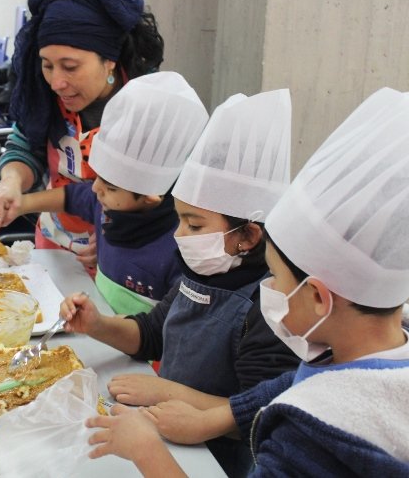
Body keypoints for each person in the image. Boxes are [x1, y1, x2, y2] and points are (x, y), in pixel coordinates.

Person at [86, 87, 409, 477]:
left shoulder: (310, 436)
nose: (269, 288)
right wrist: (213, 418)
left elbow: (290, 395)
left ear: (319, 298)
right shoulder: (361, 357)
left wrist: (145, 450)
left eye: (277, 278)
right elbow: (284, 386)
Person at [60, 89, 300, 477]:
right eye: (180, 220)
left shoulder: (266, 307)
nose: (179, 235)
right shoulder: (205, 270)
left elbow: (262, 413)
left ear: (248, 236)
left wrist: (169, 392)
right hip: (166, 439)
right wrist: (97, 325)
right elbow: (153, 334)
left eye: (195, 225)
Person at [0, 0, 164, 268]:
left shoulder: (149, 108)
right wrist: (10, 183)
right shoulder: (47, 97)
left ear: (109, 60)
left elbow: (164, 201)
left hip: (119, 259)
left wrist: (124, 234)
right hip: (52, 246)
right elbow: (25, 145)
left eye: (70, 67)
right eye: (47, 65)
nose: (57, 82)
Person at [14, 72, 208, 314]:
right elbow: (72, 197)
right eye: (97, 178)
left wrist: (101, 327)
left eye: (110, 187)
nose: (96, 188)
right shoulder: (108, 205)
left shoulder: (176, 253)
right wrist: (20, 204)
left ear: (150, 197)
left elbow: (164, 329)